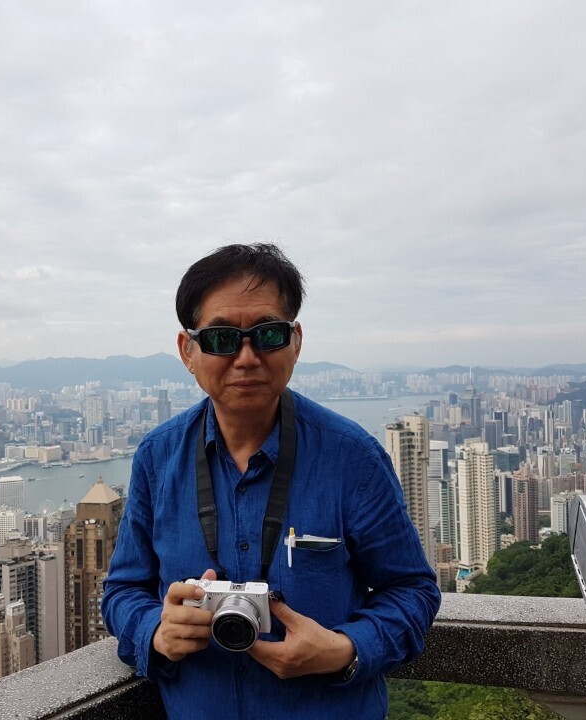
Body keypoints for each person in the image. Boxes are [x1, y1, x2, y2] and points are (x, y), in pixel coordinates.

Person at [102, 243, 441, 719]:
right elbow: (122, 591)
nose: (246, 358)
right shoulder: (158, 458)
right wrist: (154, 631)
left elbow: (412, 590)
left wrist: (345, 649)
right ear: (187, 351)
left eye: (268, 335)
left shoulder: (353, 459)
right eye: (221, 338)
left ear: (295, 342)